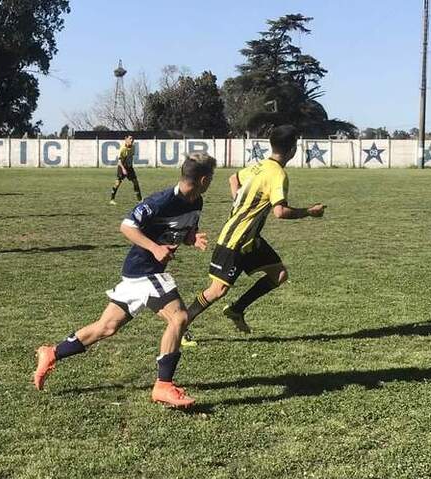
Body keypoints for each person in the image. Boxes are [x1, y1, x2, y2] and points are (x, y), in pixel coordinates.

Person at [34, 153, 217, 408]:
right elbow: (127, 226)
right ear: (204, 179)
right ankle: (163, 386)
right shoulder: (161, 201)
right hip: (145, 269)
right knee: (179, 318)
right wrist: (154, 248)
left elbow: (180, 231)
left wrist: (190, 239)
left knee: (105, 327)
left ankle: (52, 352)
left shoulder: (197, 202)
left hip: (139, 273)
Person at [182, 125, 325, 343]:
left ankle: (237, 309)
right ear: (293, 149)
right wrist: (309, 212)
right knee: (217, 290)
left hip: (250, 240)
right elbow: (280, 212)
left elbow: (233, 179)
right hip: (235, 240)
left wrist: (239, 203)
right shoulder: (278, 174)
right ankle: (181, 325)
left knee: (279, 274)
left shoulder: (260, 166)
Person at [109, 135, 142, 204]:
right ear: (126, 139)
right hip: (122, 167)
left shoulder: (133, 147)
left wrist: (130, 167)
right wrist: (123, 169)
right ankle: (112, 200)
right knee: (117, 183)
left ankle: (140, 200)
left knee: (135, 182)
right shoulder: (123, 149)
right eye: (130, 138)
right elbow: (119, 161)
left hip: (129, 167)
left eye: (133, 138)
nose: (132, 140)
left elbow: (130, 157)